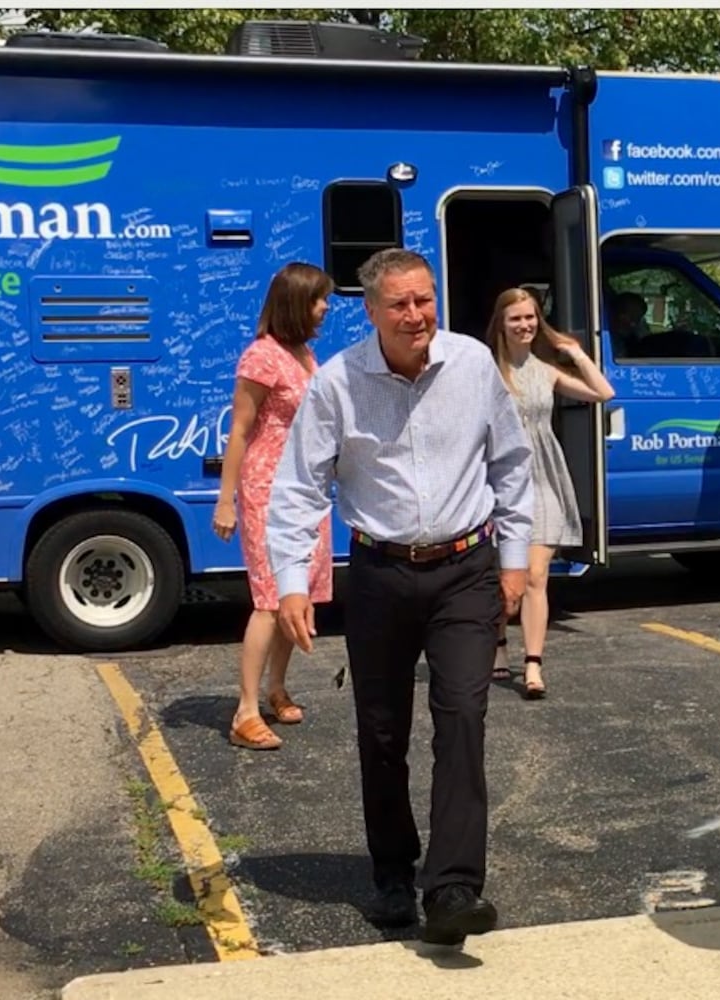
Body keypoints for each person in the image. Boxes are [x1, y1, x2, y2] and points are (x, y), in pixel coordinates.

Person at [266, 247, 534, 947]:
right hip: (381, 574)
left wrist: (514, 559)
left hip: (465, 569)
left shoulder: (473, 365)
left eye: (425, 300)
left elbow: (511, 462)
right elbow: (298, 486)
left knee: (463, 718)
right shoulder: (338, 382)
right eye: (400, 305)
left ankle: (452, 887)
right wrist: (292, 582)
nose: (416, 316)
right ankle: (392, 874)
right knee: (383, 731)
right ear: (372, 311)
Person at [212, 262, 334, 752]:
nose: (325, 307)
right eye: (317, 299)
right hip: (268, 490)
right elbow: (240, 430)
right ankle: (244, 710)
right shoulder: (261, 357)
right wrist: (226, 500)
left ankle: (276, 687)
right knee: (269, 601)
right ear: (294, 303)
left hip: (306, 491)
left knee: (295, 597)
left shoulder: (303, 353)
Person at [484, 286, 615, 697]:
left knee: (536, 575)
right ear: (501, 324)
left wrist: (573, 352)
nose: (524, 325)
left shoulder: (545, 370)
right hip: (496, 480)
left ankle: (533, 666)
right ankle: (498, 646)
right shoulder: (485, 370)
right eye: (516, 319)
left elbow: (602, 392)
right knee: (500, 577)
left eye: (531, 318)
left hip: (543, 478)